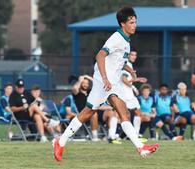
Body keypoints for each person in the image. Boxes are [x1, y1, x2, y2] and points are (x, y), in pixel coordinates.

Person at [52, 7, 159, 162]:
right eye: (131, 22)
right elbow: (100, 55)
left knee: (101, 113)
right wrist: (105, 78)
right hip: (105, 82)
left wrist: (131, 71)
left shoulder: (126, 41)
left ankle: (60, 142)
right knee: (106, 112)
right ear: (123, 24)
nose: (134, 25)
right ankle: (140, 147)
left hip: (111, 82)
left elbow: (119, 62)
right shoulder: (116, 38)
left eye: (135, 22)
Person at [121, 47, 147, 136]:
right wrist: (133, 88)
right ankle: (134, 135)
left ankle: (116, 135)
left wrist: (138, 79)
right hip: (126, 94)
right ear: (128, 55)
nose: (134, 57)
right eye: (132, 54)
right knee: (137, 113)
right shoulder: (127, 64)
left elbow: (129, 79)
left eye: (135, 55)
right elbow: (123, 79)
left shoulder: (128, 64)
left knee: (126, 115)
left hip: (126, 93)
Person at [71, 75, 99, 141]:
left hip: (94, 111)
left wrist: (87, 77)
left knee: (110, 112)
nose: (85, 85)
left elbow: (98, 84)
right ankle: (95, 136)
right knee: (93, 113)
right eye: (83, 83)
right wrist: (80, 80)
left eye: (87, 83)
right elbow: (75, 88)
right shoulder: (77, 93)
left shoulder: (90, 92)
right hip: (83, 114)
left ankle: (111, 135)